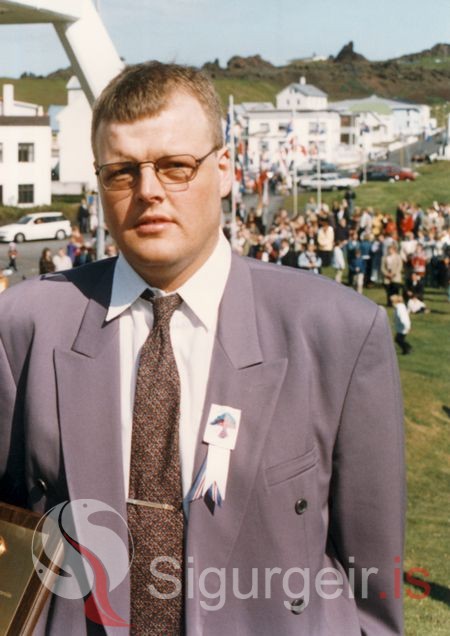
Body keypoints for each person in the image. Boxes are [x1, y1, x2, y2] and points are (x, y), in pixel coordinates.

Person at [0, 62, 405, 635]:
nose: (148, 191)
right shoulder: (23, 327)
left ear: (225, 170)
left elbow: (373, 586)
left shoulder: (338, 332)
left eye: (175, 166)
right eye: (122, 171)